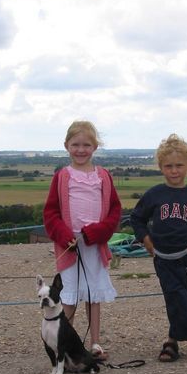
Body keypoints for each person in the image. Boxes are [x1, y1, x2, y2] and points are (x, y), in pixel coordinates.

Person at [130, 134, 187, 366]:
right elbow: (137, 217)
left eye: (179, 165)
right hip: (162, 256)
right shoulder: (154, 195)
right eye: (168, 166)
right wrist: (145, 239)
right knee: (176, 295)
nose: (174, 170)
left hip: (186, 254)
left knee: (186, 296)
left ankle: (178, 339)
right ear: (161, 167)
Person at [43, 121, 121, 360]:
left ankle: (95, 342)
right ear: (66, 146)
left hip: (94, 245)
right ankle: (65, 346)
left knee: (93, 294)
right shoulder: (62, 176)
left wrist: (98, 232)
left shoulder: (103, 177)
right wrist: (65, 236)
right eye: (75, 144)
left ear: (95, 147)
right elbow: (51, 212)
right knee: (68, 296)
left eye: (86, 144)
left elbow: (115, 210)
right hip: (70, 247)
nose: (81, 149)